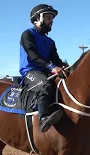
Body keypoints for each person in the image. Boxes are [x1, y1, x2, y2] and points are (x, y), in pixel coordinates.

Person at [19, 4, 67, 132]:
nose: (51, 21)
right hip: (30, 70)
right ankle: (43, 118)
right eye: (48, 18)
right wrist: (52, 67)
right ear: (38, 19)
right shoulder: (27, 34)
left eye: (52, 19)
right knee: (44, 85)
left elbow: (56, 60)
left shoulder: (50, 41)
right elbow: (33, 55)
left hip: (46, 70)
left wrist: (65, 68)